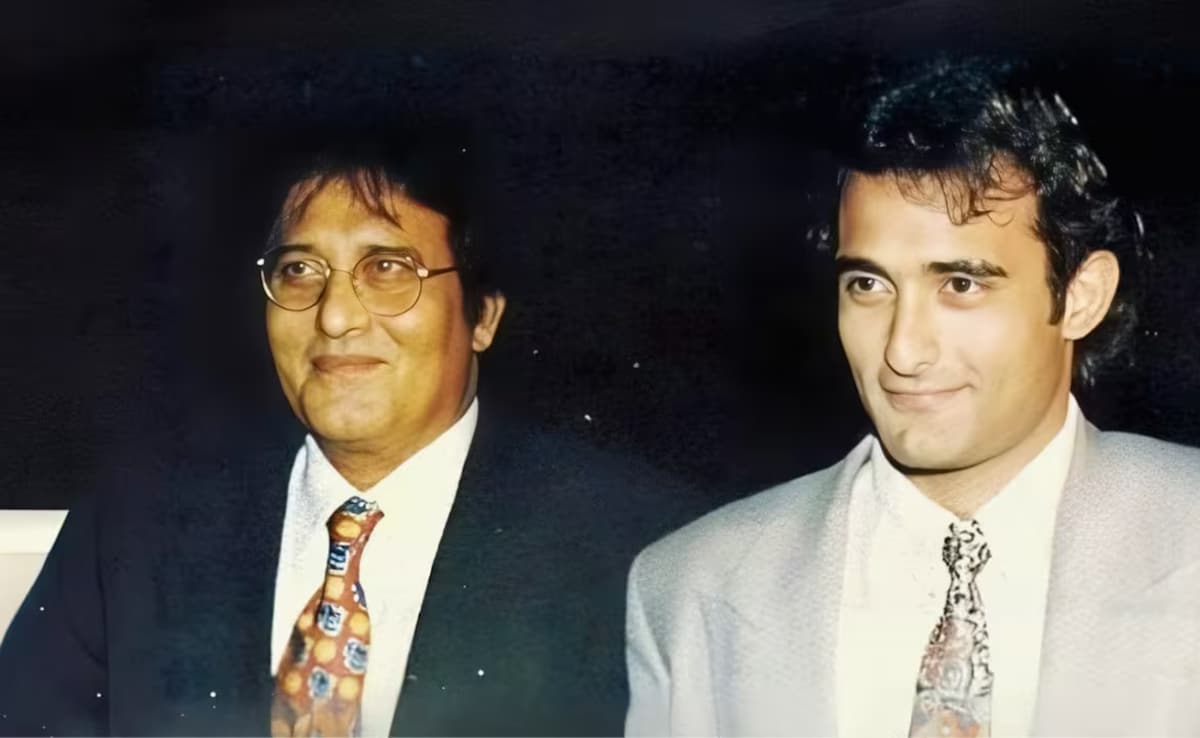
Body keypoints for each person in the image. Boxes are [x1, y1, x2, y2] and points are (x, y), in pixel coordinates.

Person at [0, 130, 698, 736]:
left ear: (482, 316)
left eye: (387, 269)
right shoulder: (135, 528)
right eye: (299, 270)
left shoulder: (643, 554)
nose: (335, 316)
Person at [625, 58, 1200, 737]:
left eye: (960, 285)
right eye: (868, 285)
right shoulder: (691, 590)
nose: (902, 351)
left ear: (1081, 297)